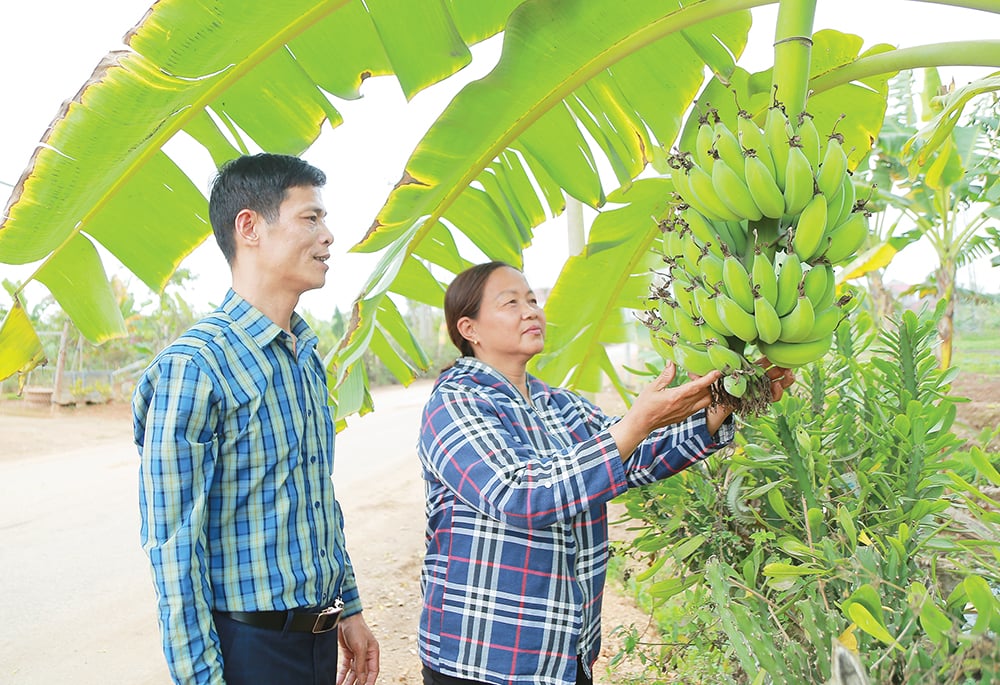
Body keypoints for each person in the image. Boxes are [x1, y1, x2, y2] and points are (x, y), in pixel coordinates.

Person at [416, 261, 793, 685]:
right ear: (470, 329)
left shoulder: (558, 405)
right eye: (511, 303)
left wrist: (719, 406)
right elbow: (519, 495)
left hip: (564, 654)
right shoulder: (454, 403)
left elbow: (634, 456)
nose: (531, 311)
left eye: (533, 300)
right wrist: (635, 423)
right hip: (485, 658)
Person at [133, 153, 379, 685]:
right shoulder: (195, 367)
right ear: (250, 227)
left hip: (318, 640)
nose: (328, 236)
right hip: (248, 650)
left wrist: (350, 608)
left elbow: (315, 496)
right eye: (310, 218)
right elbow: (175, 552)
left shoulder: (304, 353)